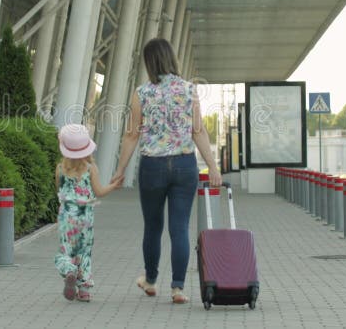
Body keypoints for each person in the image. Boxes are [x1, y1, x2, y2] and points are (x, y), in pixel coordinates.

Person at [112, 38, 222, 304]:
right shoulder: (189, 90)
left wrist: (120, 169)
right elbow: (198, 131)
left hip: (153, 167)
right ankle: (178, 288)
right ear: (172, 59)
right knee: (180, 228)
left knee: (153, 226)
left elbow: (131, 135)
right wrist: (213, 166)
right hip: (185, 165)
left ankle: (150, 281)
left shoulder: (142, 93)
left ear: (150, 62)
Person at [54, 123, 124, 302]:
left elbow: (59, 191)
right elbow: (99, 191)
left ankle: (69, 270)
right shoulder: (91, 168)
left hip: (66, 215)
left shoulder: (60, 169)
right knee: (84, 250)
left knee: (66, 249)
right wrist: (114, 186)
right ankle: (84, 289)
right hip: (85, 216)